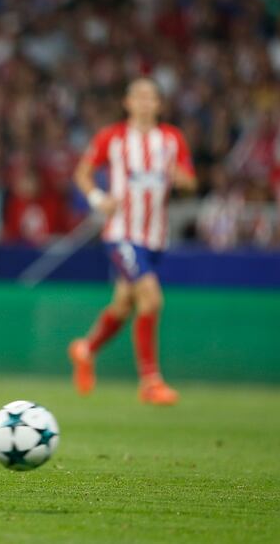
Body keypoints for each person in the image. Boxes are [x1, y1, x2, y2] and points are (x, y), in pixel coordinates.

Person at [68, 78, 196, 405]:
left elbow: (190, 181)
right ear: (127, 103)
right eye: (138, 96)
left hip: (155, 237)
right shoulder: (111, 138)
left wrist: (182, 179)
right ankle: (150, 381)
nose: (144, 102)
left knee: (124, 305)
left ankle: (86, 349)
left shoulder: (172, 139)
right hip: (121, 233)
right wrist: (98, 199)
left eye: (150, 97)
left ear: (159, 104)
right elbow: (82, 173)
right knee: (151, 298)